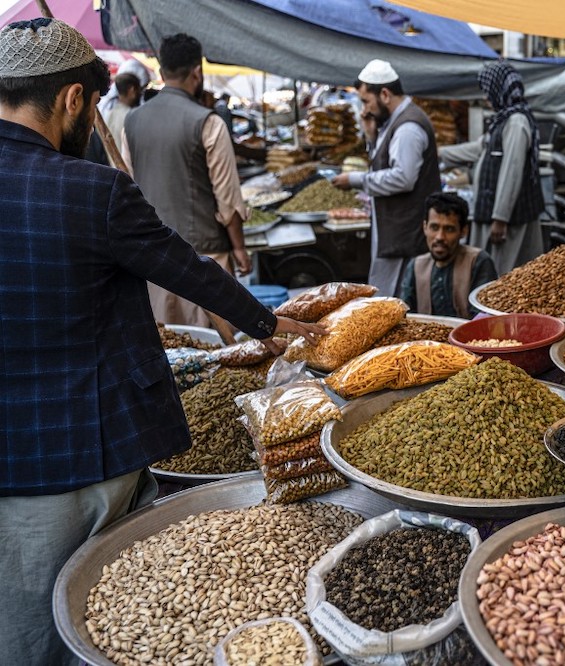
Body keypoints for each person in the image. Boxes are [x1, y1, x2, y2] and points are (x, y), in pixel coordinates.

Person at [0, 19, 324, 666]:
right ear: (72, 99)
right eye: (90, 108)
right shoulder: (91, 190)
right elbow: (188, 269)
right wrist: (276, 326)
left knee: (22, 620)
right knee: (94, 615)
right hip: (82, 453)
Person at [121, 34, 251, 329]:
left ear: (161, 72)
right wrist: (240, 249)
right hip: (204, 261)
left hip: (152, 262)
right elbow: (228, 199)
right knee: (214, 357)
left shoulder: (132, 122)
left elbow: (128, 186)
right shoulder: (208, 122)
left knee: (169, 348)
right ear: (197, 72)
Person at [332, 59, 440, 296]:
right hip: (396, 228)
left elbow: (403, 177)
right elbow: (384, 162)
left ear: (384, 94)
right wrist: (371, 136)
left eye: (366, 101)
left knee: (398, 297)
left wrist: (355, 180)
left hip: (406, 231)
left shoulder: (408, 128)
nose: (364, 109)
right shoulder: (392, 123)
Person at [438, 61, 545, 275]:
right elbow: (480, 148)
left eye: (489, 92)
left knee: (504, 276)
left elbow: (511, 172)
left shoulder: (516, 123)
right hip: (494, 216)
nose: (487, 98)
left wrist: (500, 218)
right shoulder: (503, 120)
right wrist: (439, 152)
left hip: (509, 222)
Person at [399, 192, 499, 318]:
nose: (440, 237)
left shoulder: (478, 261)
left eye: (449, 229)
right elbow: (404, 314)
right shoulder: (416, 266)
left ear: (463, 231)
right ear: (425, 227)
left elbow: (484, 315)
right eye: (434, 228)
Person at [104, 72, 142, 150]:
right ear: (132, 90)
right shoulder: (133, 117)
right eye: (139, 90)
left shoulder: (109, 114)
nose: (140, 94)